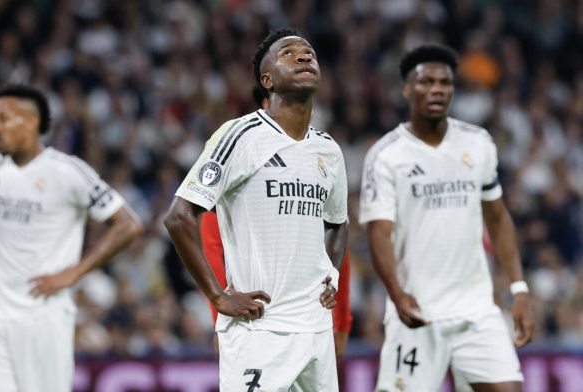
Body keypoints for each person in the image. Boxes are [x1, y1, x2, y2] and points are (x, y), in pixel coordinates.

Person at [0, 85, 143, 391]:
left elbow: (127, 224)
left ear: (31, 122)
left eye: (3, 118)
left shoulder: (67, 171)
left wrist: (74, 273)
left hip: (43, 319)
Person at [164, 28, 348, 391]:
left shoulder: (328, 150)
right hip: (260, 328)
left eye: (309, 53)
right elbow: (179, 216)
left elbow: (338, 223)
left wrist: (332, 274)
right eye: (289, 54)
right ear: (268, 81)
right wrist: (218, 296)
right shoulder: (240, 136)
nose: (304, 57)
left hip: (315, 326)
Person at [359, 44, 534, 391]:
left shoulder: (478, 143)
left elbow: (498, 219)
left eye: (445, 82)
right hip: (417, 312)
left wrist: (519, 289)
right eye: (427, 82)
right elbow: (379, 233)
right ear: (407, 89)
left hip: (476, 310)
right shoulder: (387, 155)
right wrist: (396, 293)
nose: (437, 89)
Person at [200, 85, 352, 358]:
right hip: (258, 323)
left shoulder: (323, 153)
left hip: (312, 323)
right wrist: (218, 309)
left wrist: (340, 322)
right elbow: (212, 247)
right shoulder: (241, 151)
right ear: (266, 103)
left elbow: (336, 241)